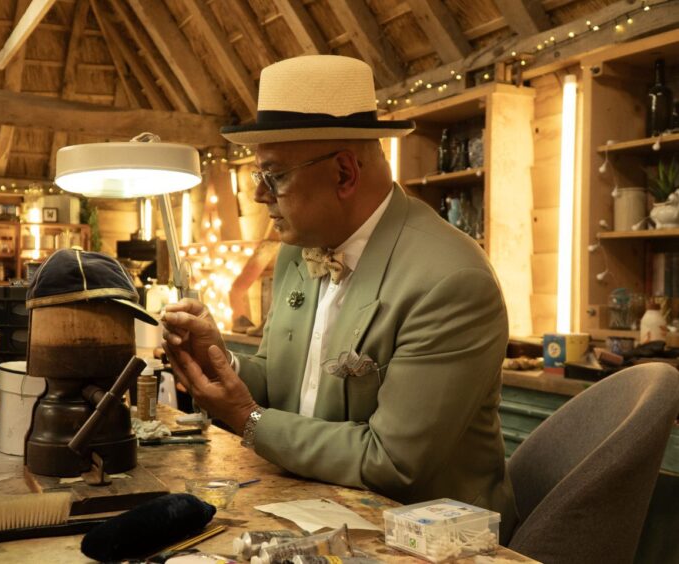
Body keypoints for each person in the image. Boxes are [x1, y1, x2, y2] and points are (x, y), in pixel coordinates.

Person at [161, 55, 515, 540]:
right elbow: (286, 385)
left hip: (427, 542)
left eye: (273, 176)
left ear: (345, 172)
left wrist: (245, 418)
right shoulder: (298, 252)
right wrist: (220, 361)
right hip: (312, 515)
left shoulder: (449, 282)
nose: (261, 197)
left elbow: (392, 461)